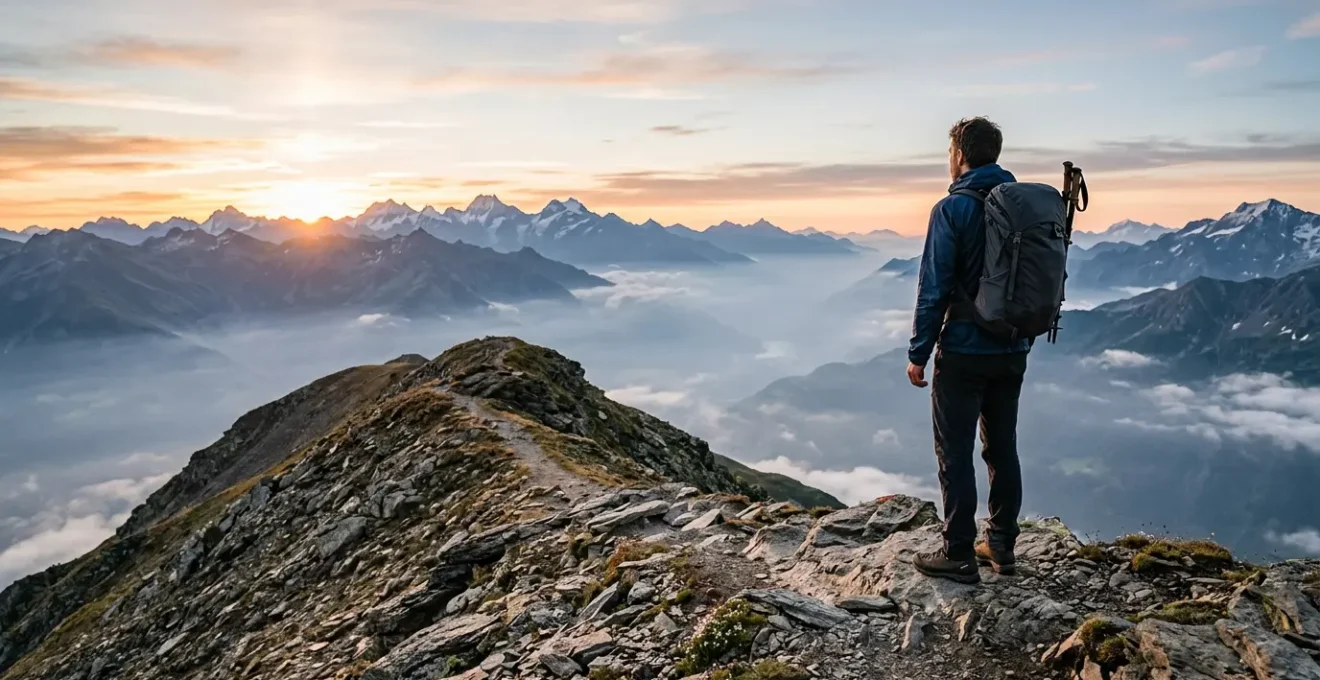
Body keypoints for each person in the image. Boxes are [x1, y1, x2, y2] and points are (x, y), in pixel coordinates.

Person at [906, 117, 1032, 585]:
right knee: (1002, 447)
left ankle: (959, 552)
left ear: (959, 154)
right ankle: (1001, 545)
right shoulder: (1023, 206)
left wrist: (919, 352)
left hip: (962, 350)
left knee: (955, 451)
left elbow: (933, 287)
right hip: (1014, 346)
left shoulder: (952, 209)